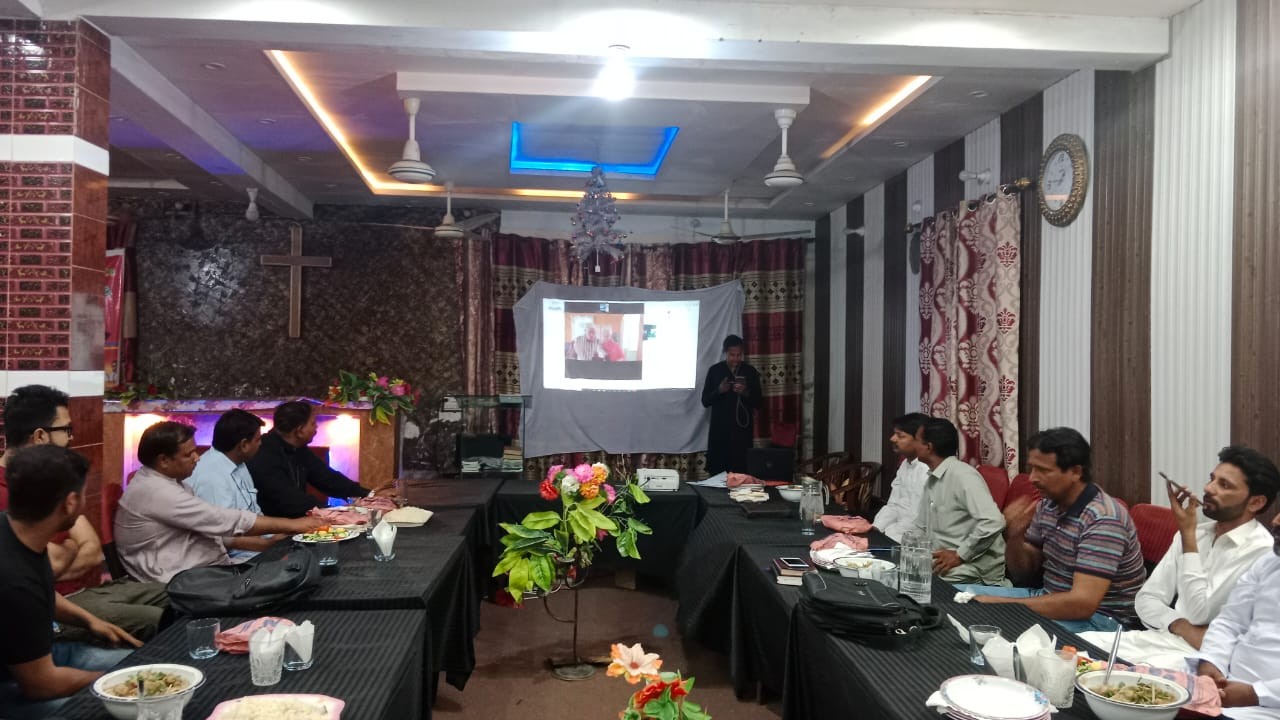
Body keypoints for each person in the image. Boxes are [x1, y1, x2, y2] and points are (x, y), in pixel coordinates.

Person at [1079, 446, 1277, 669]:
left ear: (1255, 502)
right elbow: (1146, 599)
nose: (1208, 488)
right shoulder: (1197, 534)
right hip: (1164, 637)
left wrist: (1188, 537)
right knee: (1072, 648)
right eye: (1212, 479)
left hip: (1204, 657)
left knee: (1116, 674)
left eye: (1224, 485)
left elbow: (1198, 613)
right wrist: (1180, 625)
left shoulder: (1261, 551)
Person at [0, 385, 168, 643]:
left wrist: (62, 553)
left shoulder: (54, 476)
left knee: (177, 594)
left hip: (89, 590)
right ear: (40, 436)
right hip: (54, 606)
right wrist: (70, 548)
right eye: (66, 430)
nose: (71, 438)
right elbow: (45, 567)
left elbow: (92, 552)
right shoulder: (7, 491)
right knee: (161, 619)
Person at [0, 445, 142, 720]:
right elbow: (41, 685)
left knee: (141, 663)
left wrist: (90, 621)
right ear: (70, 502)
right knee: (123, 705)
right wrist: (113, 682)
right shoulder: (13, 582)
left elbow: (41, 592)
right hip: (16, 685)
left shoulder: (13, 527)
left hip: (38, 661)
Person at [965, 427, 1146, 633]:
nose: (1032, 478)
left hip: (1102, 620)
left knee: (991, 621)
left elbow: (1083, 604)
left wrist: (1002, 605)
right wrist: (1014, 535)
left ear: (1075, 472)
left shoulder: (1103, 518)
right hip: (1048, 597)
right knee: (958, 598)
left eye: (1043, 471)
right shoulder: (1048, 505)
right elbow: (1024, 574)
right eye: (1032, 468)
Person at [114, 421, 323, 582]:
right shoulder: (156, 491)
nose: (197, 458)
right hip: (182, 581)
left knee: (300, 568)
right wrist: (293, 524)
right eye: (189, 454)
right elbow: (223, 520)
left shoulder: (172, 482)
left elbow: (211, 531)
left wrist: (265, 545)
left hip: (211, 569)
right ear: (163, 460)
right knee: (292, 579)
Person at [1194, 509, 1280, 720]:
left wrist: (1255, 694)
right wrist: (1211, 662)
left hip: (1269, 707)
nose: (1276, 520)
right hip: (1226, 687)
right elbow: (1230, 620)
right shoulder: (1269, 562)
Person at [247, 401, 385, 518]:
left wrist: (369, 495)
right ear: (299, 431)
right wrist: (335, 512)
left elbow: (327, 478)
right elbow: (288, 499)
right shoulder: (264, 454)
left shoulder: (298, 447)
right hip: (274, 527)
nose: (316, 427)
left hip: (299, 518)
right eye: (313, 423)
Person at [911, 418, 1007, 585]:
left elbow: (994, 521)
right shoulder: (933, 478)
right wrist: (906, 552)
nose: (914, 445)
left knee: (917, 586)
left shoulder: (963, 475)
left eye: (916, 440)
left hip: (970, 566)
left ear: (929, 447)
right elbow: (920, 527)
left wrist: (960, 555)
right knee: (897, 574)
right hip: (941, 561)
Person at [184, 409, 268, 561]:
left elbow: (255, 513)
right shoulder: (211, 476)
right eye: (258, 439)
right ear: (244, 445)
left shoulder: (238, 462)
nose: (261, 443)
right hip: (231, 561)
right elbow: (223, 538)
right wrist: (269, 544)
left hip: (255, 549)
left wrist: (286, 533)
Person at [699, 334, 763, 475]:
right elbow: (705, 401)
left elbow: (759, 403)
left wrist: (745, 392)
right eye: (732, 355)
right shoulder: (715, 370)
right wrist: (719, 391)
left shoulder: (750, 371)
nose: (735, 359)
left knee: (741, 474)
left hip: (742, 434)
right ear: (725, 352)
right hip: (719, 432)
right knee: (718, 473)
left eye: (739, 355)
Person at [871, 412, 932, 543]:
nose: (892, 439)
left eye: (900, 435)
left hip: (912, 541)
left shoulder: (926, 470)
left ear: (919, 440)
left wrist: (887, 537)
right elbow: (893, 504)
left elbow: (916, 519)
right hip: (894, 533)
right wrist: (875, 528)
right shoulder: (905, 464)